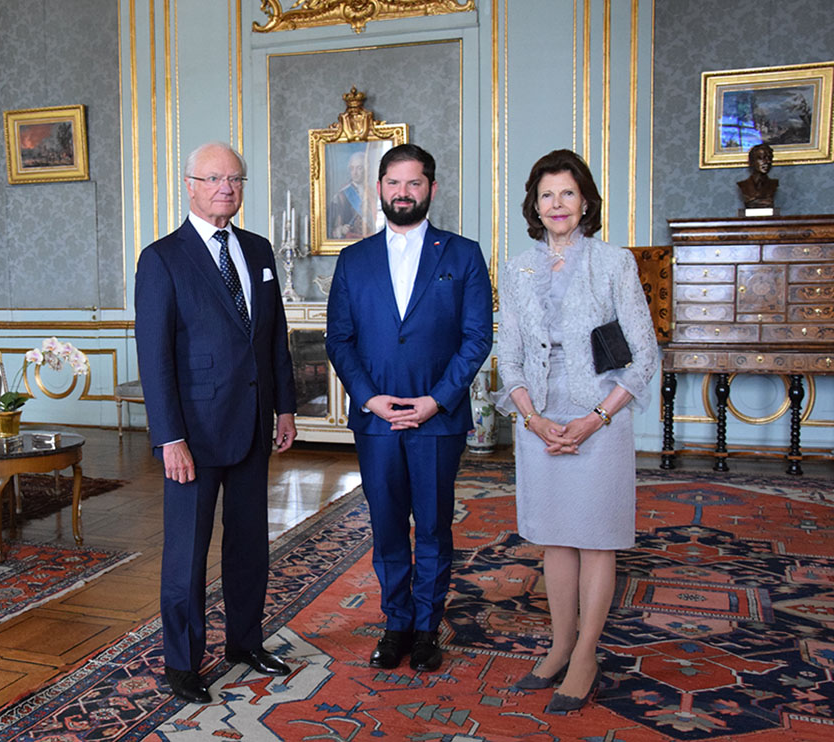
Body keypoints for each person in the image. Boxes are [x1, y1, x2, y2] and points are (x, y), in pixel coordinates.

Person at [493, 149, 657, 713]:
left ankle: (587, 652)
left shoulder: (614, 263)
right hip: (539, 418)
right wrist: (533, 419)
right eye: (546, 195)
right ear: (533, 206)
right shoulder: (516, 268)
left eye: (567, 193)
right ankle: (560, 643)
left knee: (595, 537)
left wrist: (595, 419)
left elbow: (642, 358)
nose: (557, 204)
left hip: (600, 413)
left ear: (585, 200)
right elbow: (508, 357)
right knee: (555, 535)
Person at [134, 141, 298, 705]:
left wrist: (286, 407)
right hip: (194, 436)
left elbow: (272, 337)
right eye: (213, 179)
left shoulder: (258, 249)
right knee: (187, 553)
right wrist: (168, 437)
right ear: (190, 185)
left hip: (253, 425)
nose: (226, 188)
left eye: (235, 179)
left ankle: (245, 643)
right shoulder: (162, 258)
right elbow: (154, 358)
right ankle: (182, 662)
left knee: (250, 545)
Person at [326, 143, 493, 673]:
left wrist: (436, 401)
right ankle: (395, 623)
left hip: (437, 419)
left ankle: (427, 628)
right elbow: (338, 339)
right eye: (393, 183)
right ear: (379, 189)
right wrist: (369, 399)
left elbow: (477, 338)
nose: (403, 192)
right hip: (376, 420)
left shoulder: (462, 254)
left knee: (436, 526)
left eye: (414, 183)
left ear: (432, 189)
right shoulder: (353, 260)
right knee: (388, 527)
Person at [329, 150, 379, 239]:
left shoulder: (374, 193)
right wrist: (341, 229)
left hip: (371, 241)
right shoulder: (342, 195)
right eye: (352, 168)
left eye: (359, 168)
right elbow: (333, 228)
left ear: (366, 169)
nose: (355, 173)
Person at [737, 143, 778, 209]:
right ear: (752, 161)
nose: (767, 161)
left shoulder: (773, 184)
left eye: (769, 158)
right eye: (762, 158)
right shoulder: (744, 185)